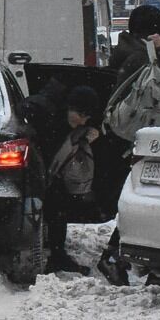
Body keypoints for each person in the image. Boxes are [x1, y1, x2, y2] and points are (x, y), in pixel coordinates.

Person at [40, 85, 105, 275]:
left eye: (87, 118)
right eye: (81, 115)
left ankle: (57, 254)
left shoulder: (68, 123)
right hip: (43, 173)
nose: (83, 121)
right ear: (70, 108)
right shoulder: (49, 119)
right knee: (56, 206)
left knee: (59, 206)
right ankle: (56, 255)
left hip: (53, 176)